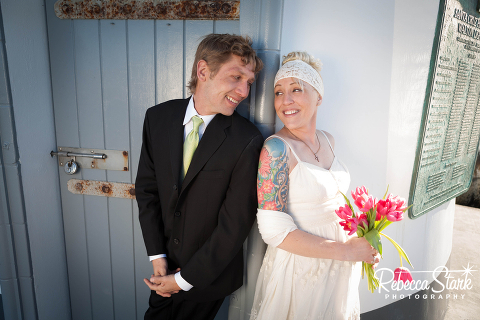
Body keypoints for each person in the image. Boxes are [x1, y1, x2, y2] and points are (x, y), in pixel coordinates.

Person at [135, 33, 264, 320]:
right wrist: (157, 257)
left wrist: (183, 280)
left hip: (206, 279)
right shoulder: (157, 118)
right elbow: (147, 192)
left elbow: (235, 224)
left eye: (249, 82)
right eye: (235, 77)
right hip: (163, 272)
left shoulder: (247, 139)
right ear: (203, 71)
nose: (244, 91)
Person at [250, 51, 380, 320]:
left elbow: (332, 202)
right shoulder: (276, 149)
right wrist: (344, 250)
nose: (285, 101)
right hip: (301, 270)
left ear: (318, 96)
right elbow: (273, 231)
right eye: (278, 92)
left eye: (296, 89)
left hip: (340, 268)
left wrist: (365, 239)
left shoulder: (329, 139)